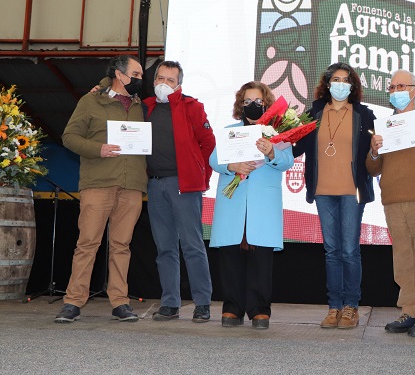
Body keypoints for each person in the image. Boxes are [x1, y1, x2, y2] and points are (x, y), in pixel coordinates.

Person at [55, 55, 147, 323]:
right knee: (87, 244)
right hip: (98, 184)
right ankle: (73, 302)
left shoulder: (143, 107)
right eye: (137, 74)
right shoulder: (91, 101)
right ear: (120, 74)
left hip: (132, 186)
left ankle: (120, 302)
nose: (142, 79)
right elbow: (69, 137)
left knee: (122, 246)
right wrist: (99, 149)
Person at [292, 62, 375, 329]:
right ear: (327, 84)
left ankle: (351, 307)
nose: (340, 84)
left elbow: (374, 154)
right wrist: (275, 137)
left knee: (349, 251)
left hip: (352, 191)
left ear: (353, 85)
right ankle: (334, 307)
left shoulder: (364, 114)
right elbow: (297, 149)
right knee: (331, 251)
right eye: (335, 79)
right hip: (322, 191)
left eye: (345, 79)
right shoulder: (313, 112)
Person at [365, 69, 415, 337]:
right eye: (392, 87)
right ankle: (409, 311)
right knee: (403, 261)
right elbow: (373, 169)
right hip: (393, 202)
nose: (397, 91)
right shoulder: (384, 127)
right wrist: (374, 151)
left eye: (402, 86)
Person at [209, 81, 294, 329]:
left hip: (262, 204)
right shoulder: (229, 130)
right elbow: (214, 159)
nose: (253, 105)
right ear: (240, 104)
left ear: (266, 103)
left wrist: (271, 152)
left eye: (258, 101)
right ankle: (232, 308)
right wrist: (231, 166)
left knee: (261, 259)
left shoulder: (276, 133)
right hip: (233, 202)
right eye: (247, 102)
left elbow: (286, 161)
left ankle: (260, 310)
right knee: (230, 256)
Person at [142, 61, 215, 323]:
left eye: (170, 80)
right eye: (160, 78)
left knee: (193, 246)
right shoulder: (146, 107)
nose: (163, 83)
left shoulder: (192, 107)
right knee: (165, 249)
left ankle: (202, 303)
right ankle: (170, 302)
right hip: (155, 184)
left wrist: (200, 178)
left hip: (184, 186)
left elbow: (208, 144)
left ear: (179, 84)